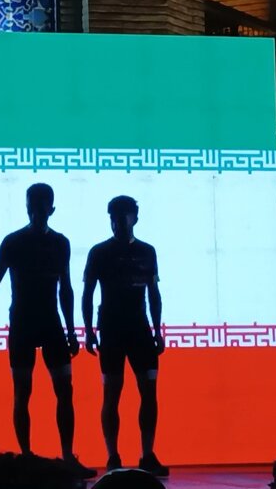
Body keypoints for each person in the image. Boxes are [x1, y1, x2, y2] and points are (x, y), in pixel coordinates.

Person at [0, 183, 95, 478]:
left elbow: (65, 289)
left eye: (41, 206)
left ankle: (68, 457)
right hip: (22, 323)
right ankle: (25, 457)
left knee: (64, 390)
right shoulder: (13, 242)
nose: (36, 211)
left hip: (50, 323)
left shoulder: (60, 243)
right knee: (22, 392)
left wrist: (71, 331)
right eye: (32, 206)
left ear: (51, 209)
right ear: (26, 207)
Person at [82, 196, 168, 476]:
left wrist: (157, 330)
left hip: (140, 329)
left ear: (135, 218)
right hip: (111, 329)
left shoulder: (147, 251)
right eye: (113, 216)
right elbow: (87, 293)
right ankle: (113, 457)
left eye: (123, 215)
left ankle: (148, 455)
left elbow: (154, 293)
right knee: (111, 393)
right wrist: (88, 331)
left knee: (149, 392)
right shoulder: (99, 252)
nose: (117, 221)